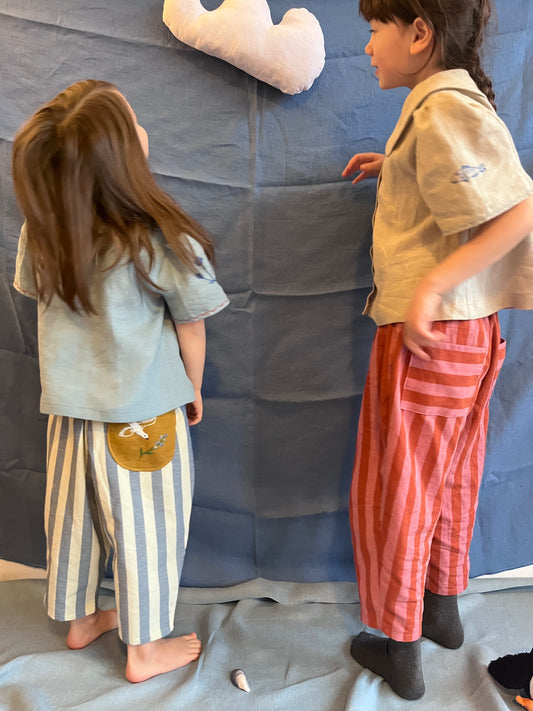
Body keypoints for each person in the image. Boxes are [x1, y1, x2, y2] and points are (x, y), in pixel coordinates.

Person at [342, 0, 533, 700]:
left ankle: (399, 647)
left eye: (375, 30)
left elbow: (519, 210)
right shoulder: (446, 108)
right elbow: (465, 196)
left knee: (399, 490)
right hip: (470, 335)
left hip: (429, 335)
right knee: (450, 477)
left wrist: (430, 287)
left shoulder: (439, 108)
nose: (367, 46)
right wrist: (395, 169)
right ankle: (442, 609)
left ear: (419, 33)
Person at [11, 80, 229, 683]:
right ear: (122, 157)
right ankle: (144, 650)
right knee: (148, 529)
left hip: (69, 412)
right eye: (133, 123)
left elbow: (33, 295)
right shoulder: (159, 236)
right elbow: (191, 325)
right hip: (142, 414)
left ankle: (79, 618)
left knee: (73, 519)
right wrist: (193, 386)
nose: (142, 128)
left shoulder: (43, 229)